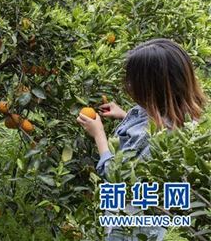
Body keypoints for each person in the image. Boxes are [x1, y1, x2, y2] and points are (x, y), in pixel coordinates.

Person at [77, 38, 206, 241]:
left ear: (151, 88)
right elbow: (153, 131)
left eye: (133, 81)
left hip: (132, 224)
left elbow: (117, 176)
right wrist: (125, 114)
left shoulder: (151, 134)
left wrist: (98, 134)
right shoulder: (178, 117)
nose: (128, 85)